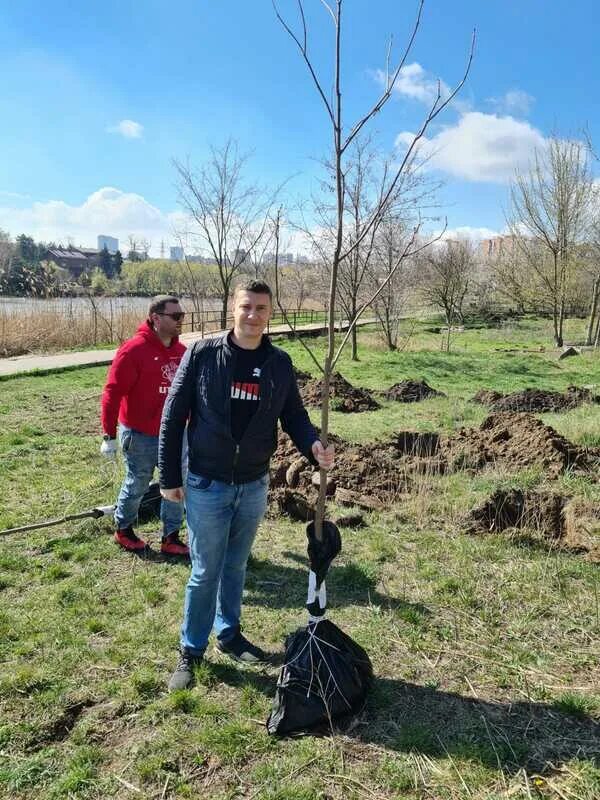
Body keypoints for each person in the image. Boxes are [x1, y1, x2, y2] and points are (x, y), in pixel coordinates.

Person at [159, 280, 334, 690]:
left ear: (270, 313)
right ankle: (191, 649)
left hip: (253, 484)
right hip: (207, 482)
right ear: (233, 309)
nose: (253, 315)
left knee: (236, 566)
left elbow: (294, 416)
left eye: (261, 308)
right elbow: (173, 414)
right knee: (205, 570)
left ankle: (229, 633)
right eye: (246, 307)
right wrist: (168, 478)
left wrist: (313, 446)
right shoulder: (203, 354)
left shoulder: (279, 363)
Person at [100, 295, 189, 555]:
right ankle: (123, 529)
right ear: (156, 318)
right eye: (175, 316)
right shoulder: (133, 350)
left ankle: (171, 536)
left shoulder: (182, 353)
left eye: (182, 316)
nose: (181, 321)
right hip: (140, 434)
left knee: (176, 483)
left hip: (174, 434)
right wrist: (109, 435)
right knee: (138, 482)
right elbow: (112, 393)